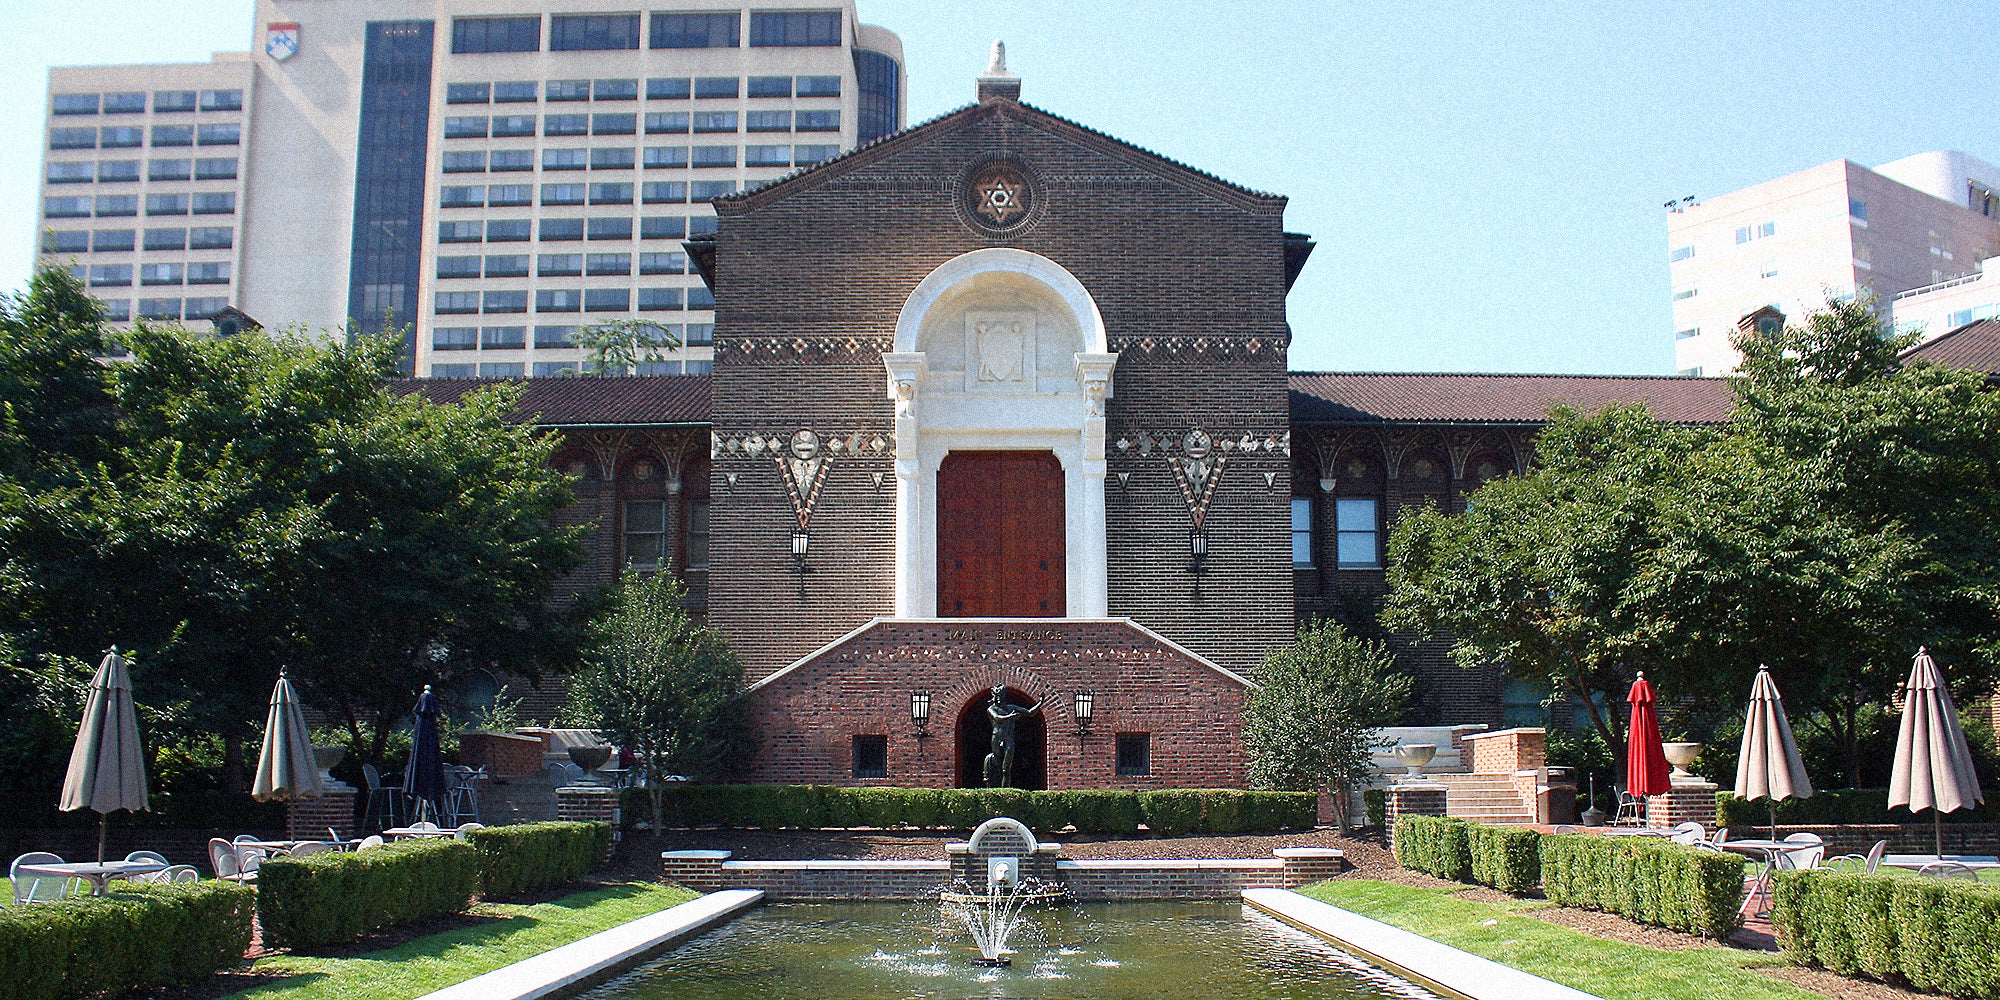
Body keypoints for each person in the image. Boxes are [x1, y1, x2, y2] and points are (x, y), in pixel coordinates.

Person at [983, 686, 1040, 787]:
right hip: (996, 738)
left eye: (1000, 696)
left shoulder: (1011, 708)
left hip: (1008, 738)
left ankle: (1005, 791)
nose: (999, 699)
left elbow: (1029, 712)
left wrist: (1041, 702)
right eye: (997, 696)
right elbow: (997, 718)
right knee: (996, 765)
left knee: (1006, 769)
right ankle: (992, 786)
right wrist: (1010, 717)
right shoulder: (991, 709)